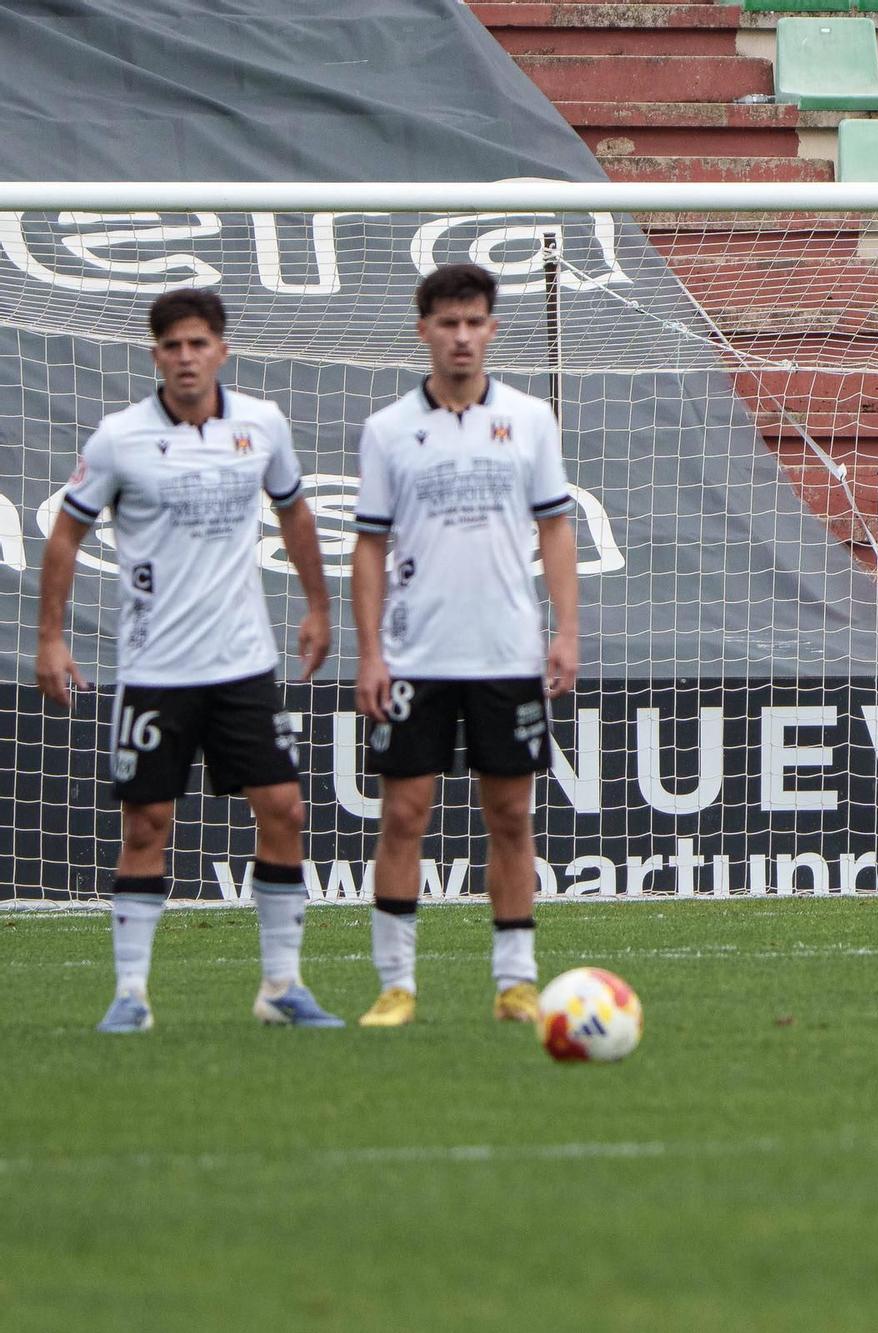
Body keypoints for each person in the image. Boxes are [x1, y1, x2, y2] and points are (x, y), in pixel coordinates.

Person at [36, 288, 337, 1033]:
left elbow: (294, 509)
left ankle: (281, 986)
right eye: (171, 346)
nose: (185, 357)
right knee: (146, 823)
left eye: (198, 343)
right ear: (156, 356)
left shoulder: (261, 424)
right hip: (155, 669)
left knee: (285, 809)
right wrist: (50, 636)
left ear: (221, 350)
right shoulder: (119, 438)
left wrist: (319, 606)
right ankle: (131, 996)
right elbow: (65, 537)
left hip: (242, 664)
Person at [350, 262, 580, 1028]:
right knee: (403, 814)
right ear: (424, 331)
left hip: (506, 653)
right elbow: (370, 547)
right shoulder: (387, 431)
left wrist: (566, 632)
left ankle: (516, 980)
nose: (461, 337)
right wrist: (371, 652)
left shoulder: (530, 419)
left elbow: (554, 527)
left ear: (492, 328)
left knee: (511, 816)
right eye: (448, 324)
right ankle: (396, 984)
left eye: (474, 322)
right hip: (415, 654)